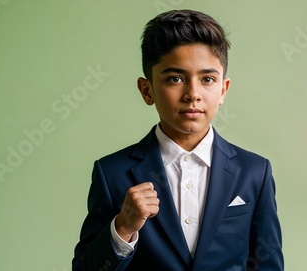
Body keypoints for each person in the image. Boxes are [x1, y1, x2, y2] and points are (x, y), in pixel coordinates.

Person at [72, 9, 284, 271]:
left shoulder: (255, 171)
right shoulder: (112, 173)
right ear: (146, 90)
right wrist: (123, 228)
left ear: (223, 90)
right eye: (175, 79)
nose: (192, 94)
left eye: (207, 79)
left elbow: (268, 265)